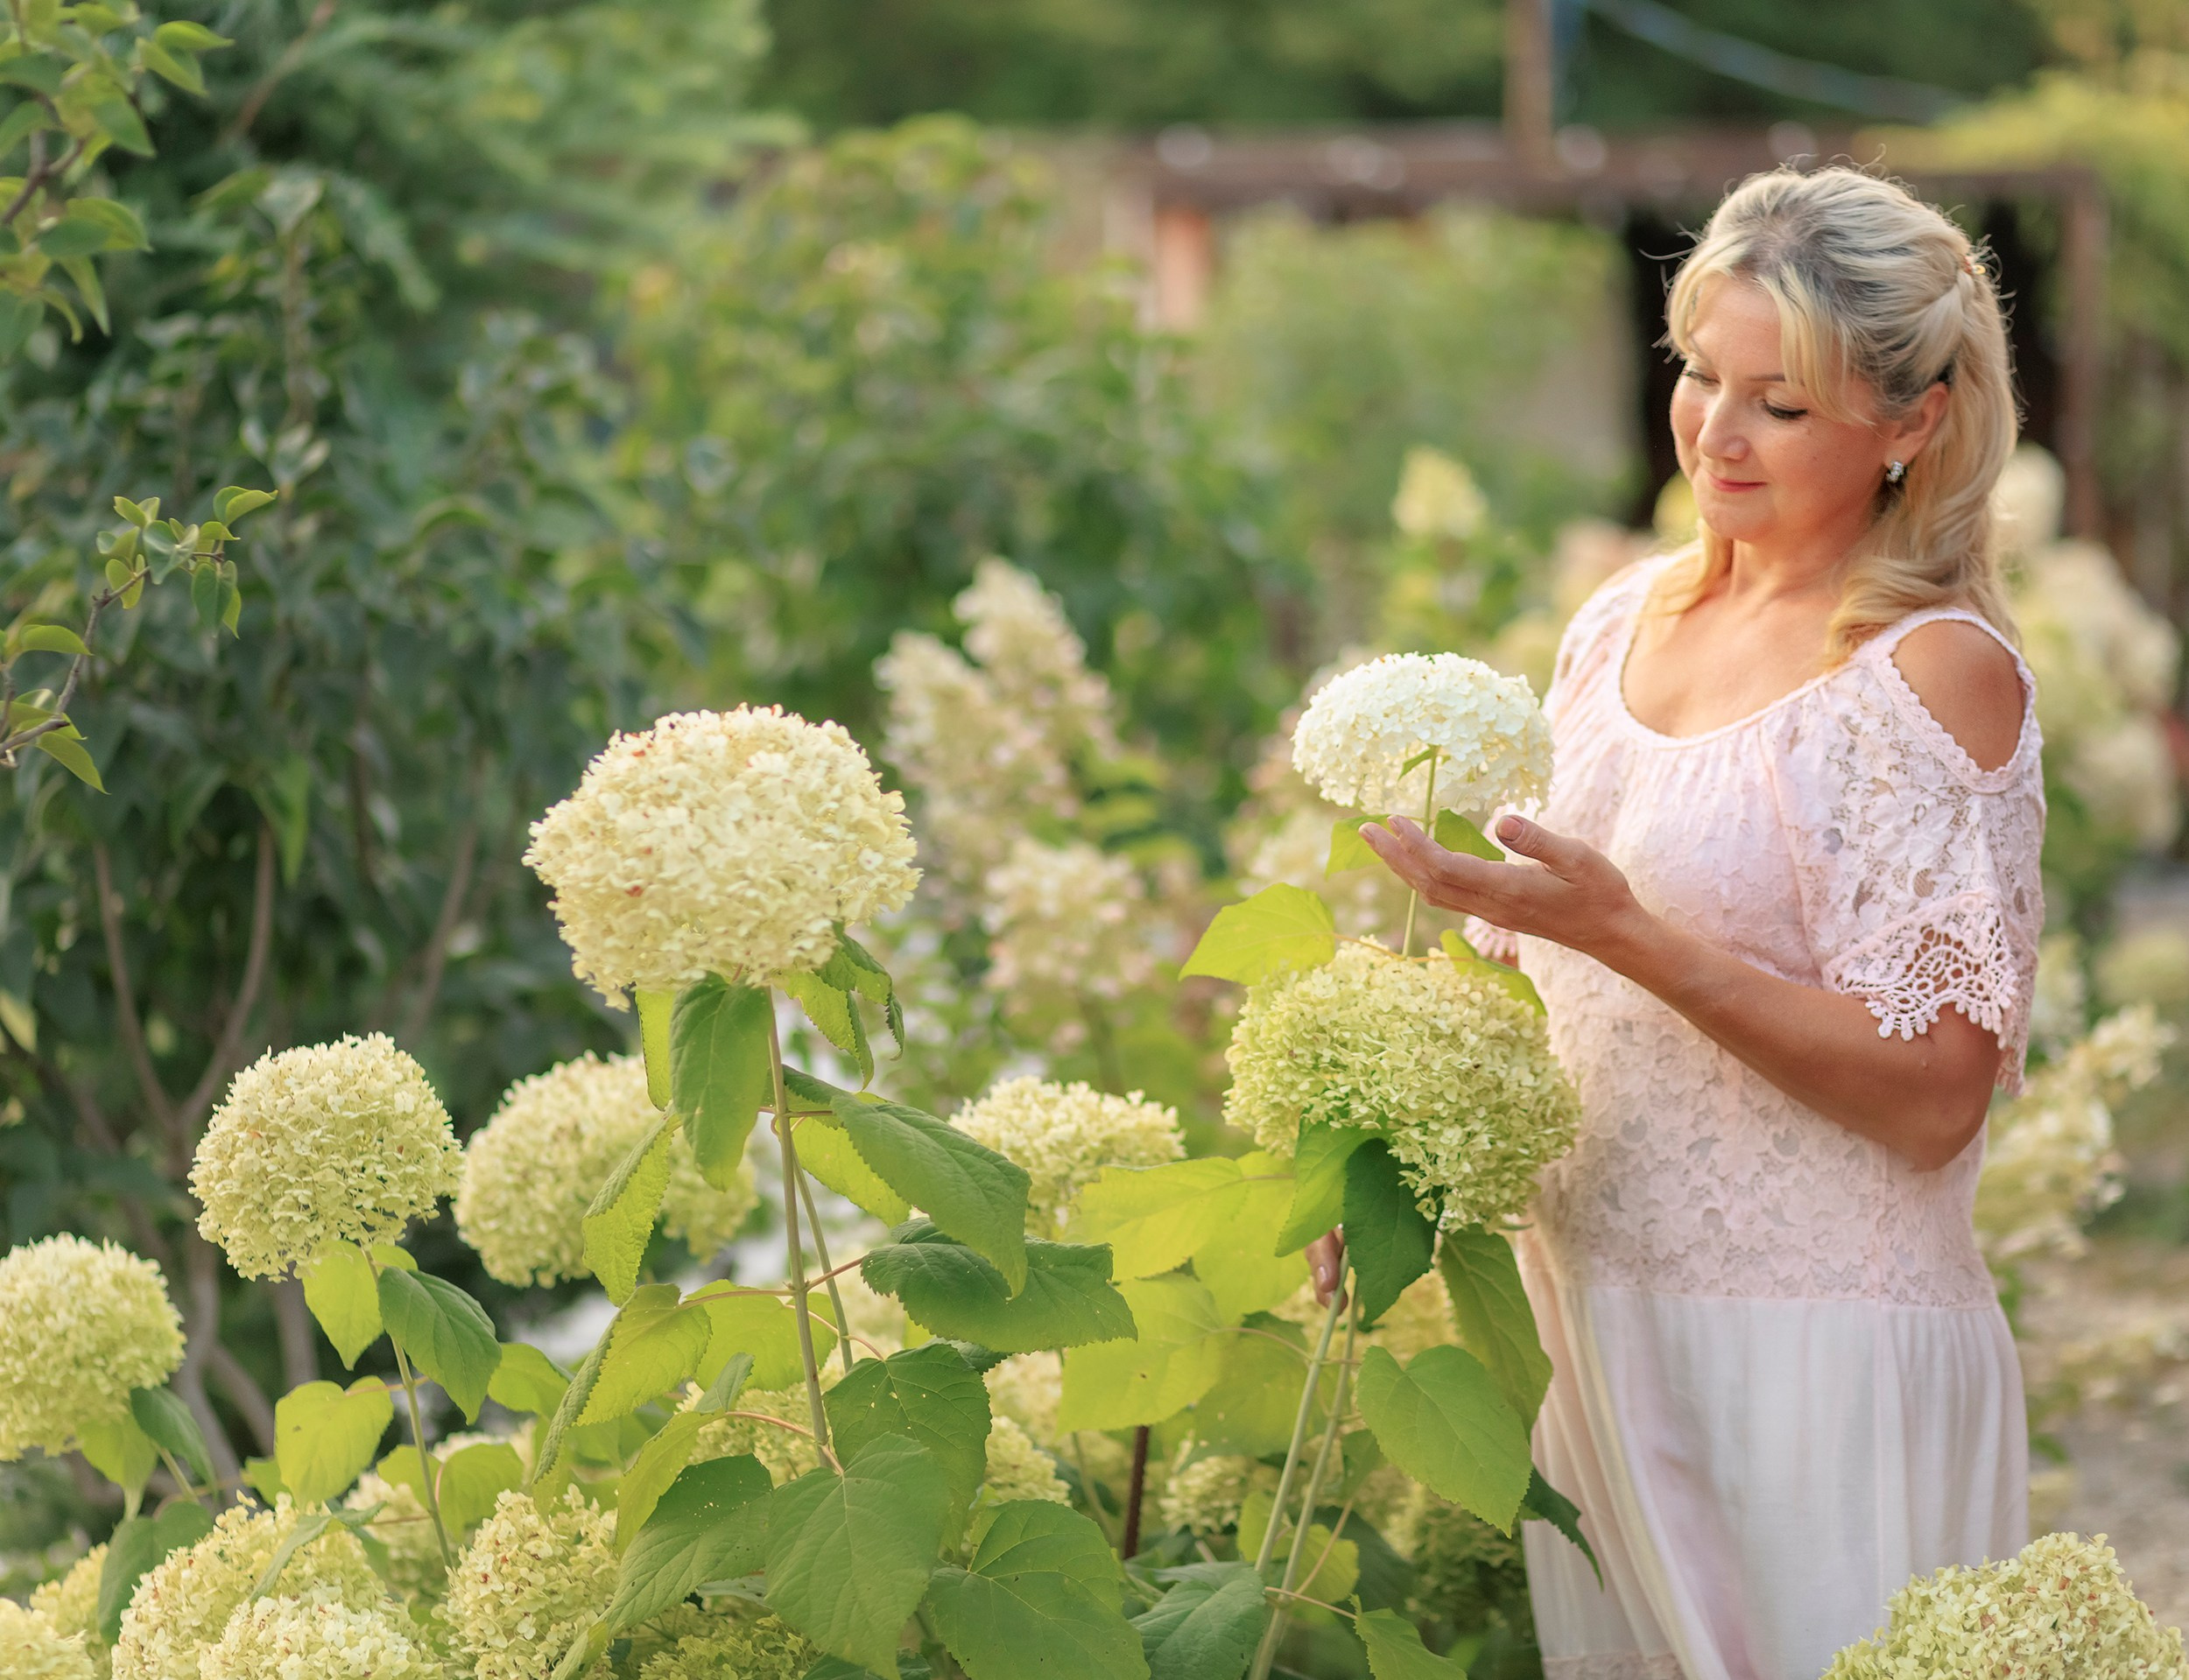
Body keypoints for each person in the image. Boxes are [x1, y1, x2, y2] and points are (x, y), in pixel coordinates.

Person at [1352, 166, 2039, 1679]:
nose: (1716, 433)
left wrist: (1629, 936)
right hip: (1585, 1328)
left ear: (1911, 423)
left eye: (1780, 405)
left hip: (1807, 1363)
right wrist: (1396, 1174)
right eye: (1700, 376)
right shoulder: (1625, 620)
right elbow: (1530, 966)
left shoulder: (1930, 677)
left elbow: (1934, 1097)